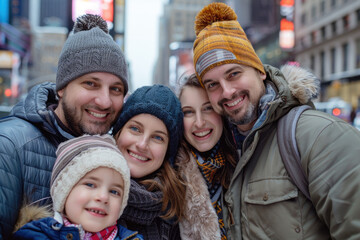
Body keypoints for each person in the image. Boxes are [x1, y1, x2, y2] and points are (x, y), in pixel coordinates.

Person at [192, 2, 360, 239]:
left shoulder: (320, 136)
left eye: (234, 74)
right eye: (213, 84)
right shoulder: (222, 156)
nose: (227, 91)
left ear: (259, 70)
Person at [0, 14, 128, 238]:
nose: (105, 101)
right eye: (91, 84)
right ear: (62, 88)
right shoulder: (9, 147)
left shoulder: (111, 154)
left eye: (116, 89)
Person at [13, 134, 143, 239]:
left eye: (114, 192)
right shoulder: (36, 235)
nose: (103, 197)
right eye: (90, 184)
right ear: (64, 192)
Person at [112, 85, 186, 240]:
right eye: (135, 129)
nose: (142, 144)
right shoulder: (85, 187)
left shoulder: (175, 211)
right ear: (118, 132)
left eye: (158, 137)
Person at [176, 73, 237, 240]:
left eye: (208, 108)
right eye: (188, 112)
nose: (199, 122)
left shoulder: (244, 162)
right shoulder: (170, 178)